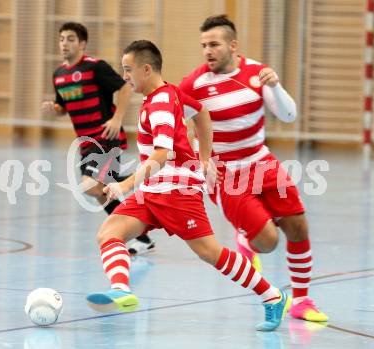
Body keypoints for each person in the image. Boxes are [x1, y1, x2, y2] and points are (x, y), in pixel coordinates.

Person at [86, 39, 291, 332]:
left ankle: (272, 296)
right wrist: (205, 159)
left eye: (128, 69)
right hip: (153, 191)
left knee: (210, 252)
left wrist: (125, 185)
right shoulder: (169, 92)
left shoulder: (158, 103)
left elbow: (162, 152)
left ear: (146, 69)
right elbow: (202, 114)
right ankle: (122, 290)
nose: (125, 76)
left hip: (176, 192)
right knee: (109, 233)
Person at [179, 15, 328, 322]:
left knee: (298, 226)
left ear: (233, 46)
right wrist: (198, 161)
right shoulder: (193, 85)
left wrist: (276, 86)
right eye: (204, 45)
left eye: (214, 44)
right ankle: (246, 239)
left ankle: (301, 301)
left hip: (262, 162)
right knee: (269, 242)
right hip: (225, 174)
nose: (208, 51)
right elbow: (176, 130)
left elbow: (288, 116)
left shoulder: (257, 73)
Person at [41, 22, 155, 254]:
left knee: (91, 187)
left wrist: (117, 119)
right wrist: (55, 108)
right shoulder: (59, 75)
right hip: (86, 143)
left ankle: (133, 183)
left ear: (82, 44)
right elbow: (63, 107)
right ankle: (140, 232)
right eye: (62, 38)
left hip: (105, 137)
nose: (65, 43)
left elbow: (124, 88)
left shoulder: (95, 67)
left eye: (71, 39)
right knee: (99, 193)